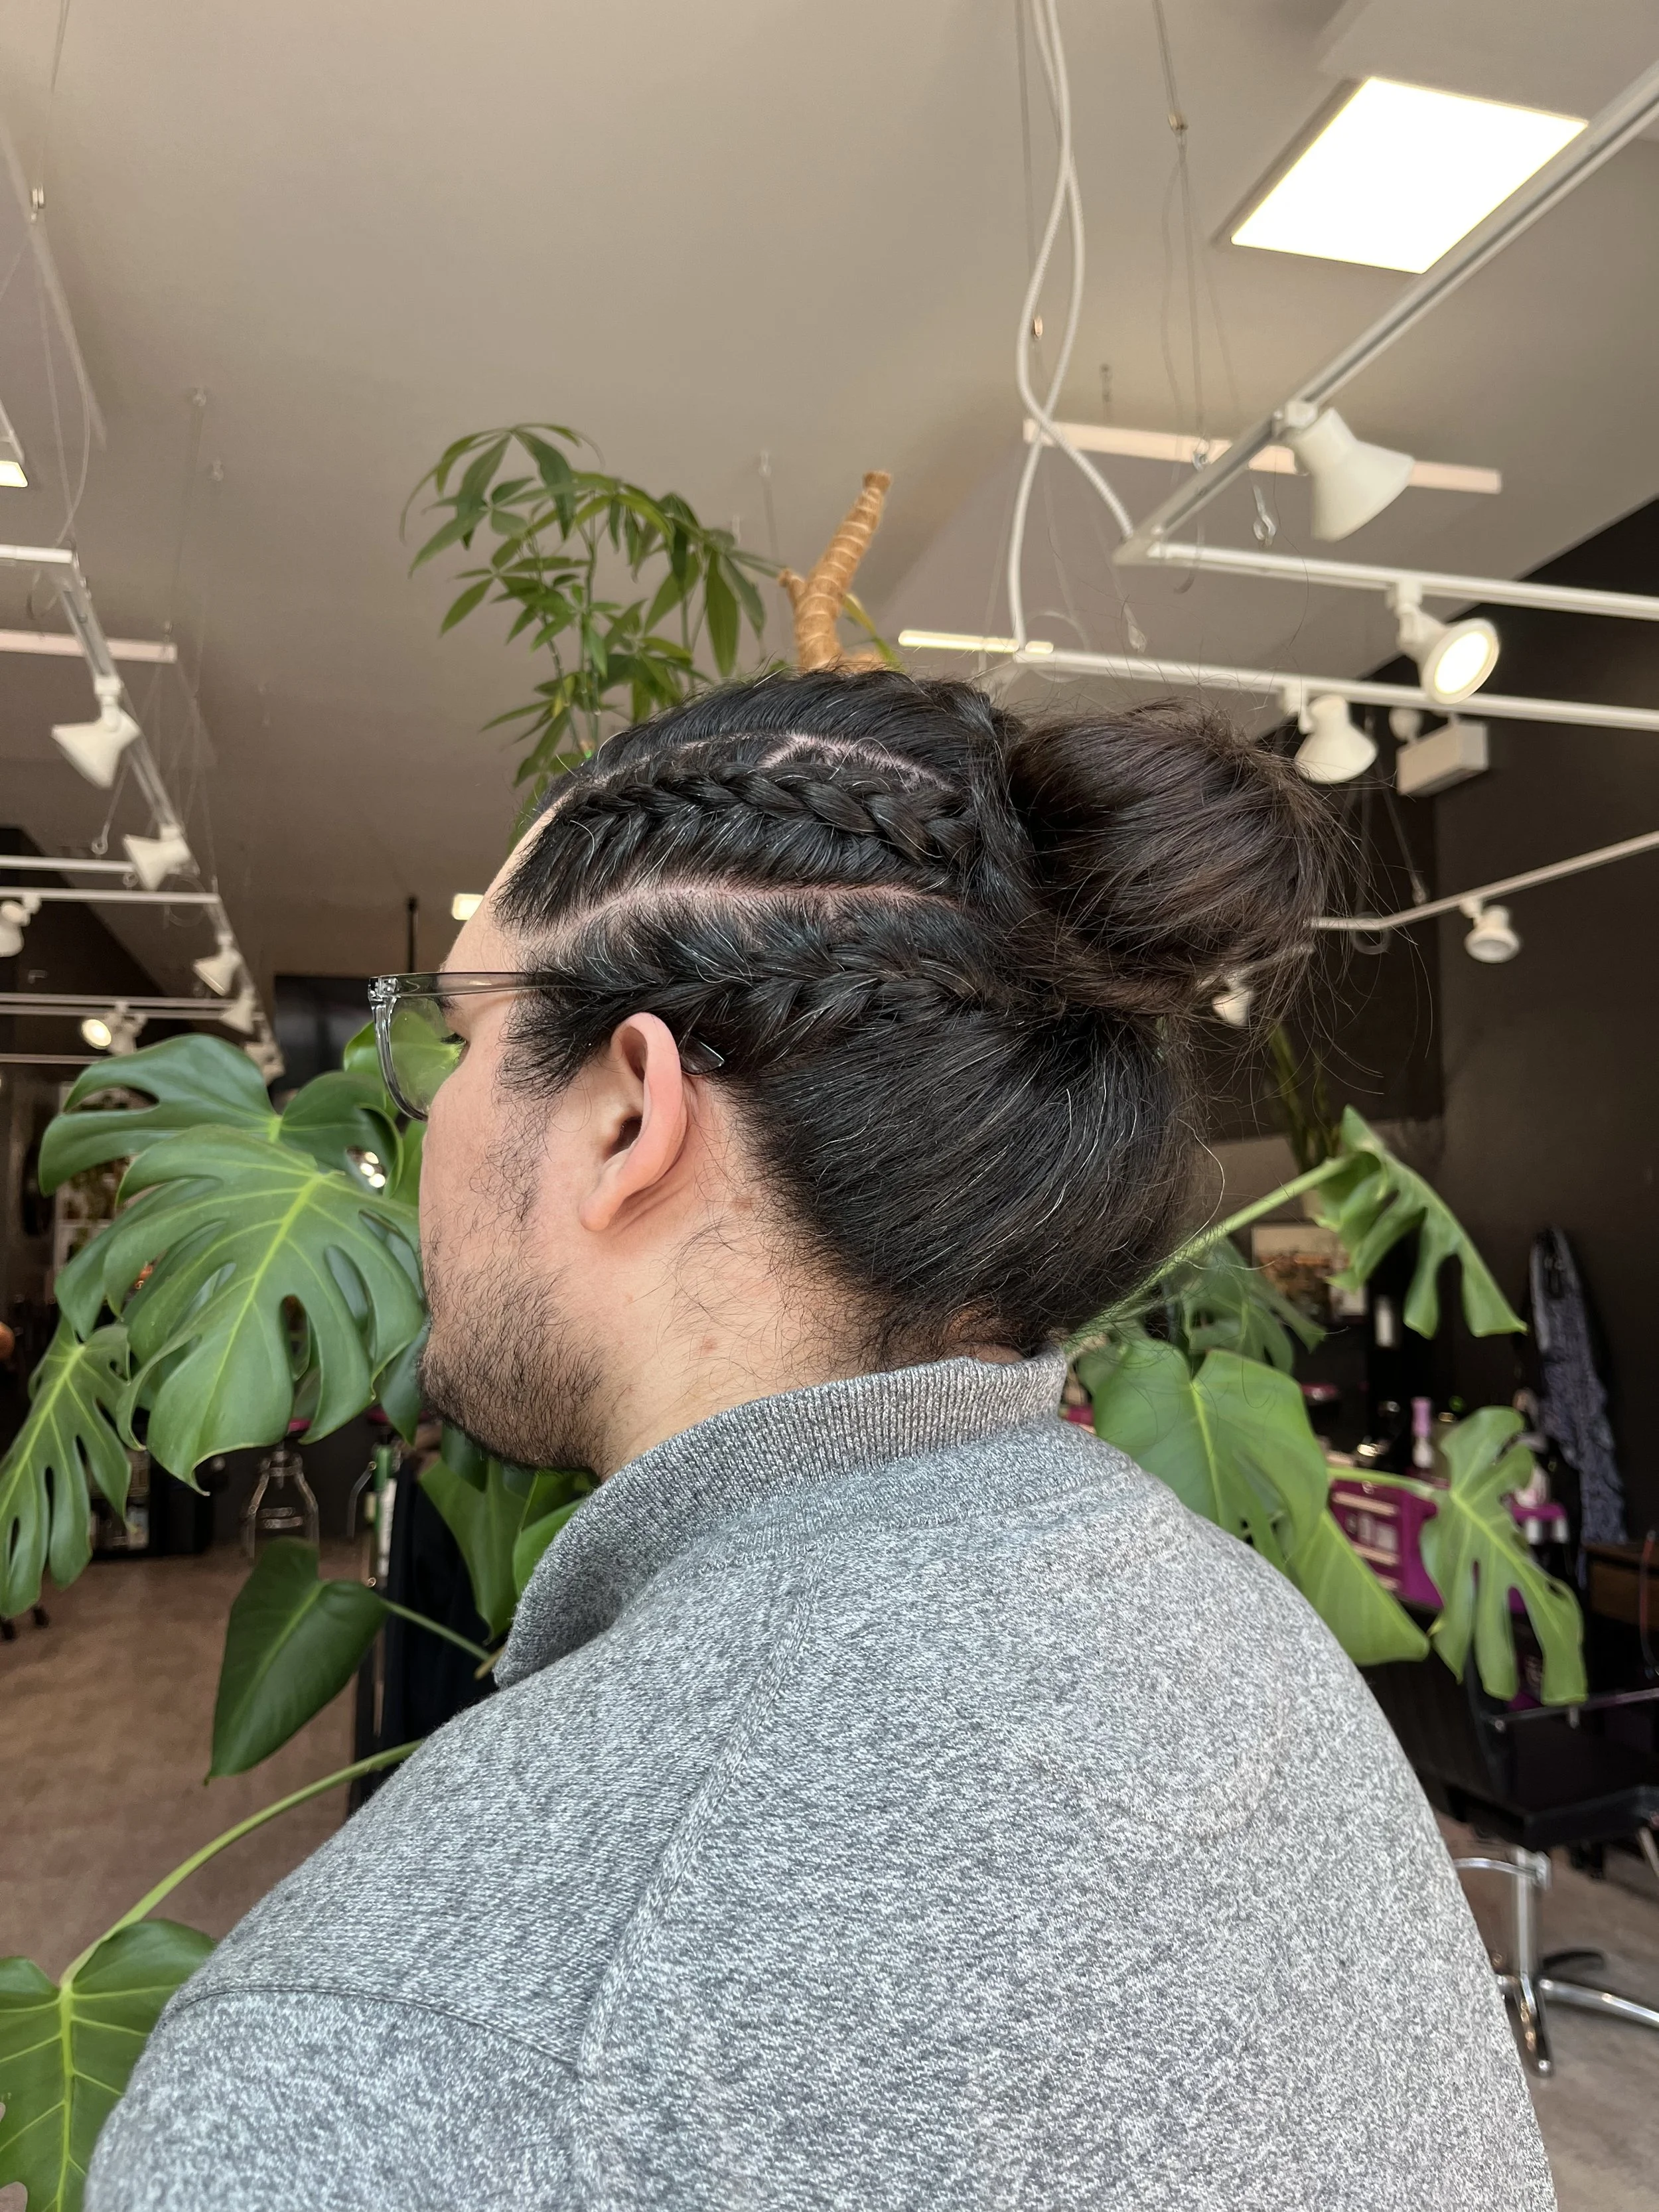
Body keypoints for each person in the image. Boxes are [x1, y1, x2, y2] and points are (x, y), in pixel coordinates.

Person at [89, 671, 1552, 2210]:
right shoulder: (1250, 1639)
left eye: (455, 1041)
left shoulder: (378, 2058)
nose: (424, 1126)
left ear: (624, 1119)